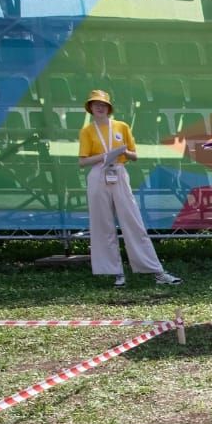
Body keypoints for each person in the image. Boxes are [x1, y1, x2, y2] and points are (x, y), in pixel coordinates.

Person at [76, 89, 179, 289]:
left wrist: (121, 152)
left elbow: (134, 154)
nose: (99, 107)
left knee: (133, 221)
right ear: (90, 108)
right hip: (98, 173)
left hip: (119, 172)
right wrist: (105, 156)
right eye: (95, 104)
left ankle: (155, 270)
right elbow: (82, 161)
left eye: (103, 104)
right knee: (102, 225)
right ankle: (116, 273)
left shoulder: (121, 126)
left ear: (108, 107)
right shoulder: (87, 131)